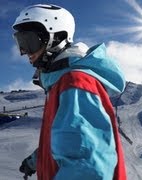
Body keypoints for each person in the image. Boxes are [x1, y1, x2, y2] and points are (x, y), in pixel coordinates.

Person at [12, 4, 127, 180]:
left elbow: (87, 165)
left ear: (56, 37)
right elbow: (67, 141)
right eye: (20, 43)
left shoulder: (75, 82)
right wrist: (35, 160)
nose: (24, 52)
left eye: (29, 42)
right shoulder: (60, 85)